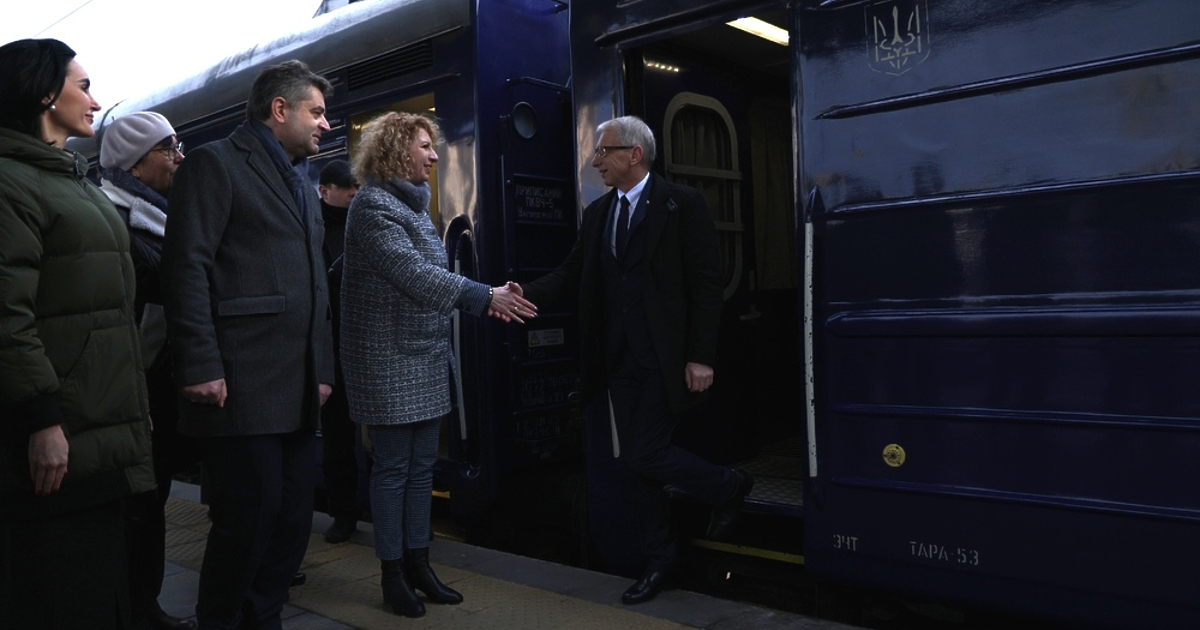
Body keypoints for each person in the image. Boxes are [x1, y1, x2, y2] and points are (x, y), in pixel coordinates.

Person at [517, 115, 753, 605]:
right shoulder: (598, 214)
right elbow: (571, 272)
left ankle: (728, 486)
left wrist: (700, 357)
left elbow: (706, 287)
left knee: (643, 454)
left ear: (634, 155)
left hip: (667, 360)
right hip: (619, 360)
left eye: (603, 152)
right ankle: (660, 559)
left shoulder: (682, 204)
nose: (595, 161)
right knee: (636, 467)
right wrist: (522, 297)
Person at [160, 60, 335, 630]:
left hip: (298, 383)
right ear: (279, 110)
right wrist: (201, 364)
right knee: (247, 522)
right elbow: (186, 268)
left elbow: (315, 285)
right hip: (239, 380)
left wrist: (323, 367)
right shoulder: (215, 163)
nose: (326, 125)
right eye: (317, 111)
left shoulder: (300, 180)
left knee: (290, 521)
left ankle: (264, 620)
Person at [339, 111, 536, 618]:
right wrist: (484, 294)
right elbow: (412, 275)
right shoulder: (372, 205)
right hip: (386, 361)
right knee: (393, 471)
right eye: (424, 146)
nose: (433, 155)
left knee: (422, 468)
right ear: (395, 149)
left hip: (423, 356)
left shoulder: (411, 206)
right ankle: (391, 575)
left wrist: (490, 292)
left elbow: (429, 274)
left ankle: (419, 563)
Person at [0, 38, 155, 629]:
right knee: (62, 592)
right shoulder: (14, 184)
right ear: (44, 91)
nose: (93, 98)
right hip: (59, 432)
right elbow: (8, 316)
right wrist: (42, 418)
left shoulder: (72, 179)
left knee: (96, 589)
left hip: (95, 424)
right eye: (83, 85)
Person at [99, 110, 199, 630]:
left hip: (157, 385)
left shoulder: (157, 216)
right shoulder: (119, 221)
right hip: (137, 389)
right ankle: (137, 609)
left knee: (151, 498)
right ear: (135, 166)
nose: (179, 158)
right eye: (168, 149)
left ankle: (142, 605)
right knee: (138, 503)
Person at [316, 159, 362, 543]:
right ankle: (344, 513)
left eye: (357, 186)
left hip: (366, 342)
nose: (353, 193)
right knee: (338, 438)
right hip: (333, 347)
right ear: (324, 190)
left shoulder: (367, 225)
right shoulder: (312, 228)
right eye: (347, 187)